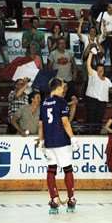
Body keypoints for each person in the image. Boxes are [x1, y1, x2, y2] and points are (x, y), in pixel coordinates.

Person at [38, 78, 79, 214]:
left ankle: (54, 200)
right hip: (61, 140)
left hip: (49, 142)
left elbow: (41, 124)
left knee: (51, 170)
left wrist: (41, 140)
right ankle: (71, 199)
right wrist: (73, 138)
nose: (64, 89)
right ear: (58, 87)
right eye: (63, 86)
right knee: (67, 169)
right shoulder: (61, 101)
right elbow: (65, 122)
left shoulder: (44, 103)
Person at [85, 49, 112, 134]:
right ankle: (89, 135)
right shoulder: (93, 74)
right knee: (91, 120)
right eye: (99, 70)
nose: (100, 71)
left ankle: (97, 134)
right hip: (92, 100)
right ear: (96, 70)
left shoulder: (107, 80)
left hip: (102, 102)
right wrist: (91, 54)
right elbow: (88, 65)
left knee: (99, 120)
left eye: (102, 70)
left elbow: (111, 89)